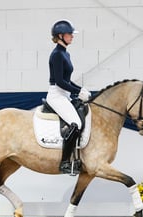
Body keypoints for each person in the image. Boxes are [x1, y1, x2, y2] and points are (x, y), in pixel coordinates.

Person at [46, 20, 91, 174]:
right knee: (76, 123)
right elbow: (59, 81)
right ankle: (65, 162)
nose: (72, 36)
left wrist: (80, 89)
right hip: (56, 95)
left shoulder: (65, 53)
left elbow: (66, 80)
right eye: (69, 34)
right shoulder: (57, 54)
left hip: (64, 94)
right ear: (60, 36)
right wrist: (77, 92)